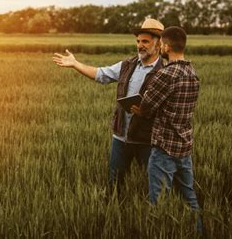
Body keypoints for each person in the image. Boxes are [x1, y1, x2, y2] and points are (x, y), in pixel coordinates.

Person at [52, 18, 164, 190]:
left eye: (145, 41)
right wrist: (75, 64)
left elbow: (174, 107)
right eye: (138, 41)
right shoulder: (128, 65)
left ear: (158, 44)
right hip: (121, 137)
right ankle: (113, 210)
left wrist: (147, 111)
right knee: (114, 184)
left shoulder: (166, 70)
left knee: (153, 186)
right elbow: (101, 74)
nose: (140, 45)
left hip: (147, 140)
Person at [131, 26, 202, 233]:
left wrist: (139, 109)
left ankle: (158, 233)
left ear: (166, 46)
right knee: (189, 197)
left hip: (164, 147)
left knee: (158, 202)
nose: (160, 47)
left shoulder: (166, 74)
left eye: (161, 44)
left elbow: (147, 108)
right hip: (184, 146)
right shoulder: (192, 72)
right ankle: (199, 231)